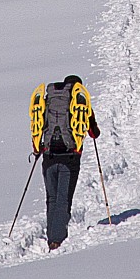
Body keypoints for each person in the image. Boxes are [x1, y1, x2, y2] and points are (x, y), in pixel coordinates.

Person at [28, 74, 104, 250]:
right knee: (64, 199)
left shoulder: (47, 102)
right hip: (70, 158)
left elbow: (38, 125)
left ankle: (51, 237)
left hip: (48, 157)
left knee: (51, 198)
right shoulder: (80, 105)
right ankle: (57, 240)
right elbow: (94, 133)